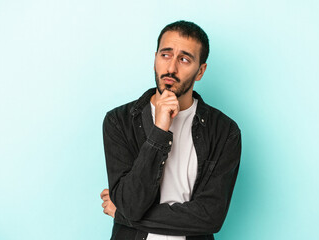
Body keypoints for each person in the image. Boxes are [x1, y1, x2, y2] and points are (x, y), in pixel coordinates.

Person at [100, 20, 242, 240]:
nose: (171, 68)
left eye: (184, 59)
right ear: (155, 58)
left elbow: (210, 217)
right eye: (165, 55)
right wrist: (160, 131)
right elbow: (131, 203)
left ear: (200, 71)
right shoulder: (119, 121)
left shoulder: (224, 132)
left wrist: (123, 214)